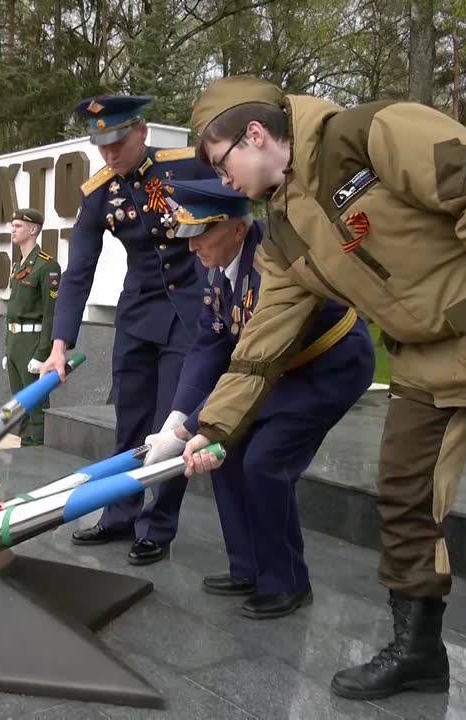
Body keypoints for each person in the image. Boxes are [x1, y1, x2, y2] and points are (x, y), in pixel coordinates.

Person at [179, 76, 466, 719]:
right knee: (405, 501)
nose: (223, 181)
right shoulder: (284, 229)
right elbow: (263, 340)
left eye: (219, 161)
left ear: (255, 135)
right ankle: (418, 651)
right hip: (429, 361)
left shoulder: (371, 134)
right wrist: (216, 428)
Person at [142, 177, 374, 618]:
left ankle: (286, 581)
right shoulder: (216, 262)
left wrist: (194, 426)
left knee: (264, 461)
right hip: (270, 371)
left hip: (327, 365)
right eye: (187, 236)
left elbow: (259, 358)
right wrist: (176, 420)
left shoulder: (276, 262)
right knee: (224, 449)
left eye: (201, 234)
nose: (192, 248)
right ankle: (247, 566)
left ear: (237, 227)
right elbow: (211, 343)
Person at [37, 94, 217, 565]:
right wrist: (61, 345)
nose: (110, 154)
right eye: (102, 146)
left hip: (189, 314)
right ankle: (119, 516)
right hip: (137, 317)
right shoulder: (99, 192)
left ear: (141, 132)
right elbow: (79, 270)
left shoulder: (186, 166)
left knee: (170, 429)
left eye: (118, 142)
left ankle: (157, 527)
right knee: (130, 423)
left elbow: (232, 215)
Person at [2, 207, 61, 446]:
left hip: (32, 342)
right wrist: (8, 348)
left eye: (18, 226)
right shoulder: (18, 266)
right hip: (16, 342)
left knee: (35, 404)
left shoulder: (47, 266)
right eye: (12, 225)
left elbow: (51, 313)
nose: (12, 230)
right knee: (19, 404)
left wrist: (41, 353)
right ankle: (25, 446)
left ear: (33, 229)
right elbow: (13, 309)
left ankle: (37, 450)